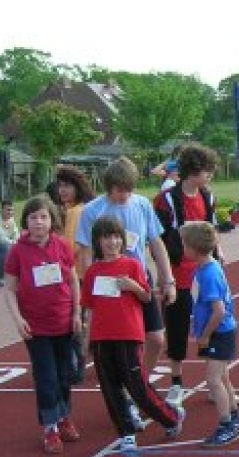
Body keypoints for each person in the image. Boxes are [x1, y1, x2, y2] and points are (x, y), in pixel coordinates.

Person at [76, 157, 175, 429]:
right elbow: (84, 252)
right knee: (112, 348)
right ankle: (128, 395)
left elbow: (156, 242)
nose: (124, 195)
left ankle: (138, 386)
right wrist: (90, 288)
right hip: (107, 285)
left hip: (137, 279)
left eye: (128, 190)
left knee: (155, 339)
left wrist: (168, 280)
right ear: (109, 187)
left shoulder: (142, 205)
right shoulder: (92, 210)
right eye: (119, 190)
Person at [81, 217, 185, 452]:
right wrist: (87, 338)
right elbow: (89, 307)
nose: (112, 242)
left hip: (128, 335)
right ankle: (126, 432)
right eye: (106, 237)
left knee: (137, 386)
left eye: (116, 236)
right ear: (98, 241)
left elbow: (147, 298)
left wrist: (133, 287)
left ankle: (170, 417)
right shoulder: (93, 272)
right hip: (101, 338)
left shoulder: (132, 265)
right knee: (110, 389)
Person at [1, 196, 81, 454]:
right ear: (26, 221)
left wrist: (77, 312)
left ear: (51, 220)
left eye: (44, 217)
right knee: (46, 378)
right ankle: (50, 429)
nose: (39, 222)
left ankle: (64, 416)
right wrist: (18, 319)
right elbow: (10, 289)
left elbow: (73, 281)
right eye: (34, 217)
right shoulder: (17, 251)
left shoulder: (62, 246)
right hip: (35, 327)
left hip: (64, 322)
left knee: (65, 375)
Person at [153, 144, 222, 405]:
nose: (211, 176)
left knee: (212, 325)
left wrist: (219, 253)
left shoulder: (208, 197)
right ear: (194, 171)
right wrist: (163, 272)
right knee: (177, 326)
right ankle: (176, 382)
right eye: (208, 171)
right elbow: (157, 238)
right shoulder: (167, 199)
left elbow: (211, 231)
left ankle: (215, 381)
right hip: (178, 273)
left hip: (205, 272)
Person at [180, 221, 239, 447]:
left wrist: (205, 335)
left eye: (184, 244)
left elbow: (219, 311)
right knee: (223, 376)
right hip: (217, 331)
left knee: (213, 379)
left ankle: (226, 423)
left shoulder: (208, 274)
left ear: (194, 248)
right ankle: (235, 418)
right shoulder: (207, 267)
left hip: (219, 332)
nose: (182, 248)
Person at [54, 165, 96, 278]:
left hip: (76, 274)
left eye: (67, 186)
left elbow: (71, 248)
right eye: (60, 186)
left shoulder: (75, 212)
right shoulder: (87, 207)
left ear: (78, 188)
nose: (62, 190)